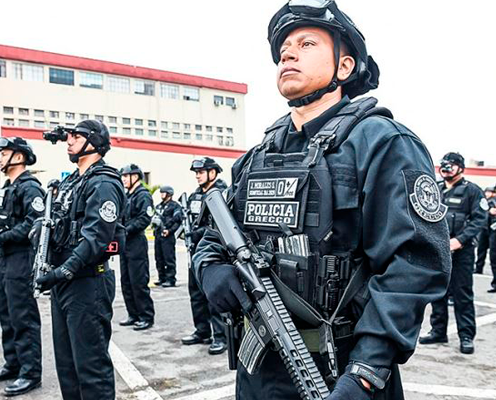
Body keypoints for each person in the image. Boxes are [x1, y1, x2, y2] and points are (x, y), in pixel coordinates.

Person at [193, 1, 451, 398]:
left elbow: (415, 264)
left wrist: (366, 372)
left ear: (344, 67)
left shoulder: (382, 143)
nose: (288, 54)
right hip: (258, 370)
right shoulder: (258, 156)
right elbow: (214, 234)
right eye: (284, 50)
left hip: (341, 370)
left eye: (307, 44)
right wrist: (210, 267)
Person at [34, 119, 125, 400]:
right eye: (69, 136)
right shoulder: (70, 182)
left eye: (76, 136)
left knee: (91, 367)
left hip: (87, 282)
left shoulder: (104, 183)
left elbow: (97, 238)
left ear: (94, 142)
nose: (69, 141)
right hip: (64, 282)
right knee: (67, 366)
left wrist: (64, 271)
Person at [0, 137, 43, 397]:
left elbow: (35, 222)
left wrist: (4, 236)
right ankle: (14, 364)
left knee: (23, 317)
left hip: (21, 257)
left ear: (18, 157)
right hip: (5, 257)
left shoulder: (29, 187)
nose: (0, 158)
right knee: (7, 314)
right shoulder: (8, 187)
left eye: (4, 153)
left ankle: (30, 373)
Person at [420, 153, 487, 354]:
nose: (446, 169)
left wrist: (460, 240)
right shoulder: (435, 188)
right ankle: (438, 331)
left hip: (462, 252)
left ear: (460, 168)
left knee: (462, 294)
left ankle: (466, 336)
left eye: (451, 165)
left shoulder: (472, 191)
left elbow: (479, 219)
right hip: (438, 251)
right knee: (438, 293)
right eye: (444, 165)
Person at [181, 157, 228, 356]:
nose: (197, 176)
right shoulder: (195, 195)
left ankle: (221, 336)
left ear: (213, 172)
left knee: (212, 295)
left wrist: (197, 233)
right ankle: (202, 331)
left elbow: (219, 224)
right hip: (195, 251)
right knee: (196, 294)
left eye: (201, 172)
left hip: (213, 252)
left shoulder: (222, 193)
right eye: (196, 173)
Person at [118, 163, 156, 331]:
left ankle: (146, 316)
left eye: (126, 176)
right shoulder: (127, 196)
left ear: (135, 177)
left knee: (138, 281)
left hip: (136, 242)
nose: (124, 179)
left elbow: (144, 219)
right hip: (125, 243)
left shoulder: (143, 195)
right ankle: (133, 314)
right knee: (126, 280)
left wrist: (126, 230)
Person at [153, 185, 183, 287]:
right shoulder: (159, 206)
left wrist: (169, 231)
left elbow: (177, 221)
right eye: (161, 192)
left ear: (169, 194)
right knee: (158, 258)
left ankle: (170, 279)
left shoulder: (175, 206)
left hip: (168, 236)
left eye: (163, 192)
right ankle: (161, 278)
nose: (161, 194)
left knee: (168, 258)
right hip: (158, 235)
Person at [475, 186, 495, 274]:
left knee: (493, 253)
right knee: (481, 249)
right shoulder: (484, 201)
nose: (488, 194)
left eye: (490, 192)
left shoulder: (492, 201)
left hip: (493, 229)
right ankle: (478, 268)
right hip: (484, 228)